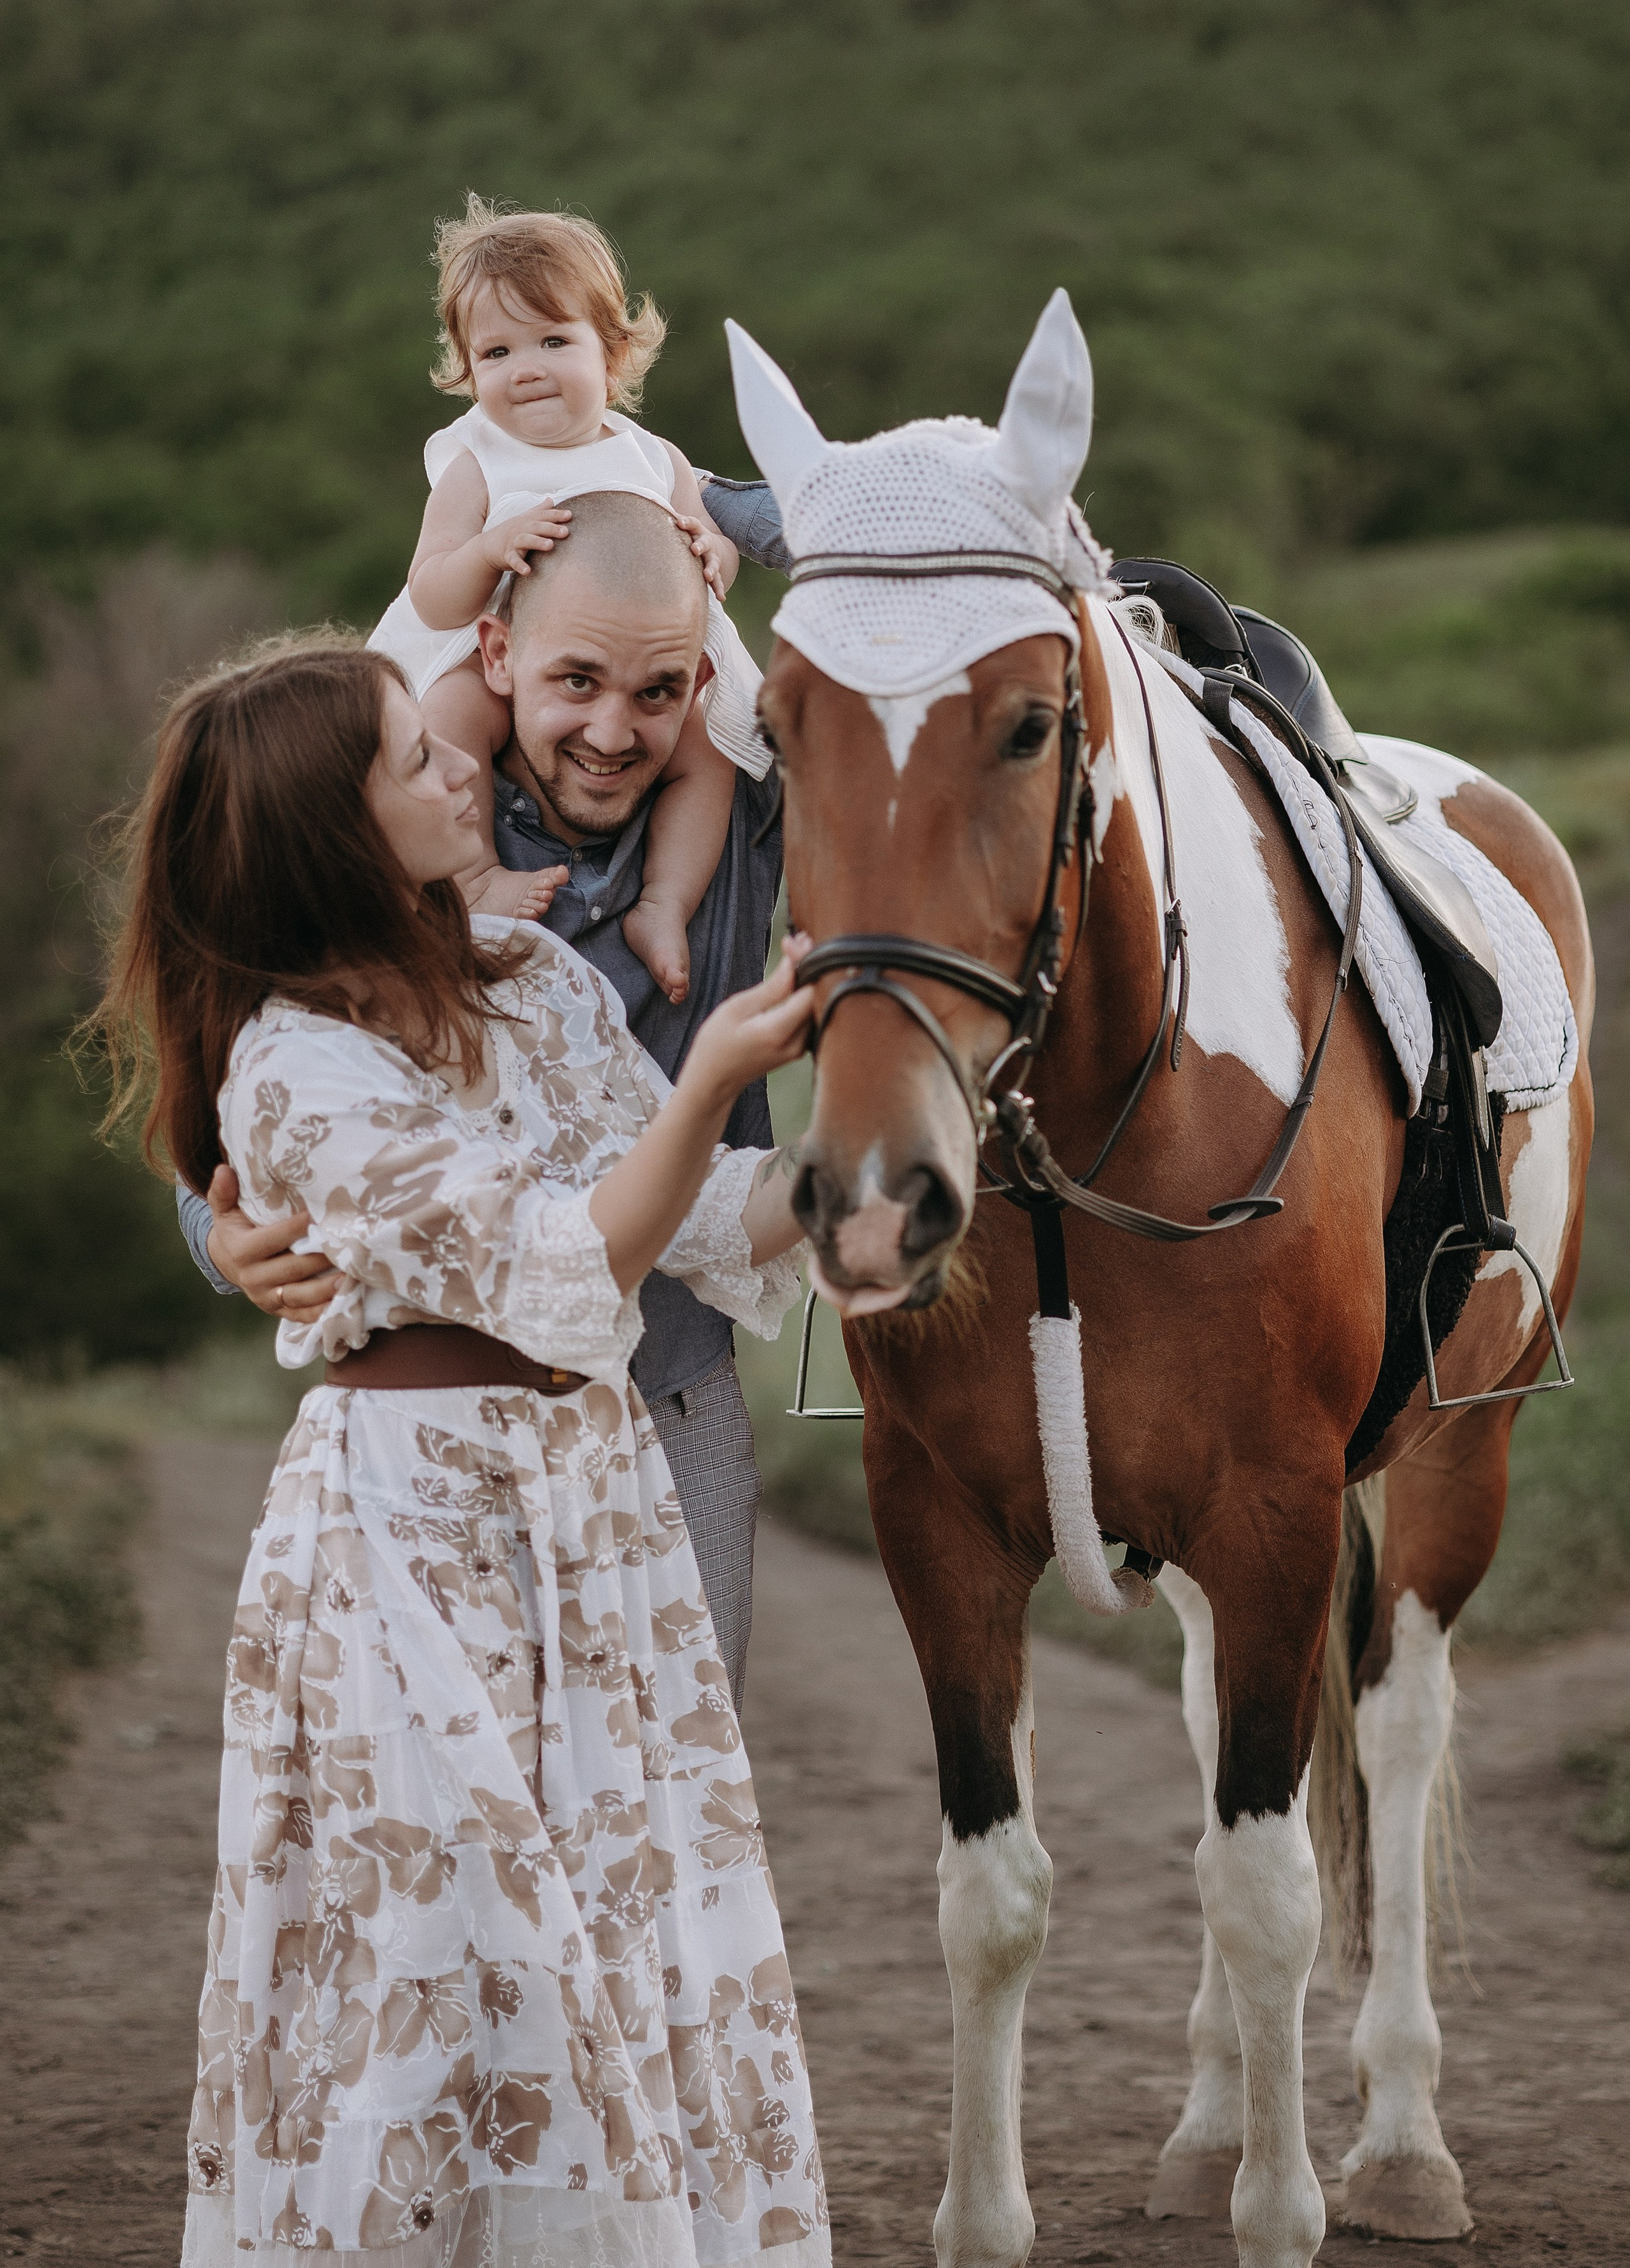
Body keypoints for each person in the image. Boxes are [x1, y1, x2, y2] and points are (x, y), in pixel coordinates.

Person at [95, 633, 830, 2267]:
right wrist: (714, 1073)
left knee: (617, 1924)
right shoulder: (292, 1070)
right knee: (444, 1944)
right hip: (409, 1524)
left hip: (592, 1499)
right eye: (412, 759)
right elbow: (563, 1257)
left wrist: (864, 1170)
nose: (459, 766)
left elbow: (699, 1218)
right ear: (332, 836)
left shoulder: (545, 985)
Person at [182, 488, 783, 1709]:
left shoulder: (745, 811)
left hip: (677, 1383)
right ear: (500, 655)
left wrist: (711, 506)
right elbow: (230, 1115)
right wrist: (222, 1237)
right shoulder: (387, 820)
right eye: (576, 683)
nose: (614, 731)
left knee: (676, 1771)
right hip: (458, 1420)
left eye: (660, 692)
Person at [370, 195, 767, 1005]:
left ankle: (664, 903)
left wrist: (714, 551)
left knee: (710, 745)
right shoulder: (475, 464)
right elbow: (433, 592)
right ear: (466, 370)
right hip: (497, 653)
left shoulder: (653, 455)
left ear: (614, 356)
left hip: (649, 656)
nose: (525, 368)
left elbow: (706, 535)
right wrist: (485, 549)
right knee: (452, 712)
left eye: (554, 340)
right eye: (496, 351)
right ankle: (477, 872)